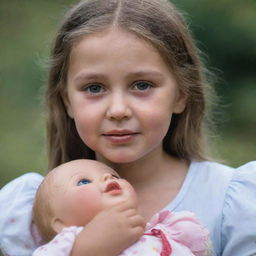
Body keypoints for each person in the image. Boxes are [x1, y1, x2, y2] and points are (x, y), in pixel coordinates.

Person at [0, 0, 255, 255]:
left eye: (142, 85)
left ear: (180, 94)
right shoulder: (32, 212)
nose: (118, 110)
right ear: (67, 101)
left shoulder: (231, 201)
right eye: (94, 88)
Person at [32, 159, 212, 256]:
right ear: (61, 225)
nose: (107, 178)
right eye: (84, 181)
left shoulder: (166, 232)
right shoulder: (62, 248)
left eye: (113, 175)